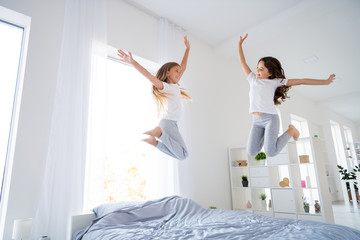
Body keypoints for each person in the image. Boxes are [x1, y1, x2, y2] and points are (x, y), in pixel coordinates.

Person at [238, 33, 335, 157]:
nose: (257, 70)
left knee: (270, 152)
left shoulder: (274, 82)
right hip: (256, 121)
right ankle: (269, 136)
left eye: (261, 69)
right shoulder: (252, 79)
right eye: (257, 67)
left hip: (270, 119)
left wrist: (325, 82)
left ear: (270, 72)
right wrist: (240, 45)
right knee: (251, 152)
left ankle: (291, 130)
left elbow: (301, 81)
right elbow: (242, 62)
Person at [117, 36, 191, 160]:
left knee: (181, 155)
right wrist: (132, 62)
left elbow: (183, 66)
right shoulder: (165, 87)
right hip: (168, 123)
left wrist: (187, 49)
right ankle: (159, 135)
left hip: (170, 123)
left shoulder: (174, 87)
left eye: (179, 71)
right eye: (176, 71)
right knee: (183, 154)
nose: (179, 73)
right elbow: (149, 76)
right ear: (167, 73)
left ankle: (155, 142)